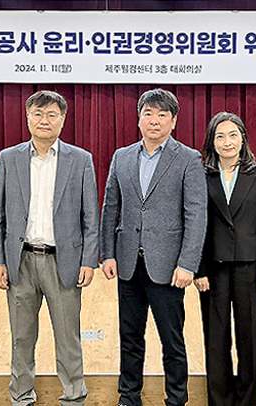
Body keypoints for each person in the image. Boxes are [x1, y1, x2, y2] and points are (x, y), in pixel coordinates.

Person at [0, 90, 99, 406]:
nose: (44, 120)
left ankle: (74, 397)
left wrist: (89, 259)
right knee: (21, 337)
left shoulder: (81, 160)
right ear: (27, 118)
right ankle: (21, 397)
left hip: (63, 262)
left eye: (51, 114)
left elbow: (91, 215)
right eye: (37, 113)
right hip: (20, 261)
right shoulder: (8, 158)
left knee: (68, 338)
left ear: (63, 119)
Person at [100, 88, 207, 406]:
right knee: (129, 337)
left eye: (162, 115)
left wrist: (188, 263)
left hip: (169, 266)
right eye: (148, 113)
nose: (154, 120)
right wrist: (108, 253)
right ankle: (129, 396)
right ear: (139, 119)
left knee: (171, 340)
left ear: (174, 121)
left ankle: (176, 398)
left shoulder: (188, 158)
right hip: (128, 263)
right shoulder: (121, 157)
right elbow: (110, 207)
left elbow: (196, 214)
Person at [194, 112, 256, 406]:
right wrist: (198, 269)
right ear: (211, 142)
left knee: (250, 338)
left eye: (233, 135)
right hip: (212, 268)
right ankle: (220, 400)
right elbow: (196, 224)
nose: (227, 142)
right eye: (220, 136)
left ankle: (249, 401)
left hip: (250, 267)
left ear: (243, 138)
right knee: (216, 339)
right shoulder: (201, 174)